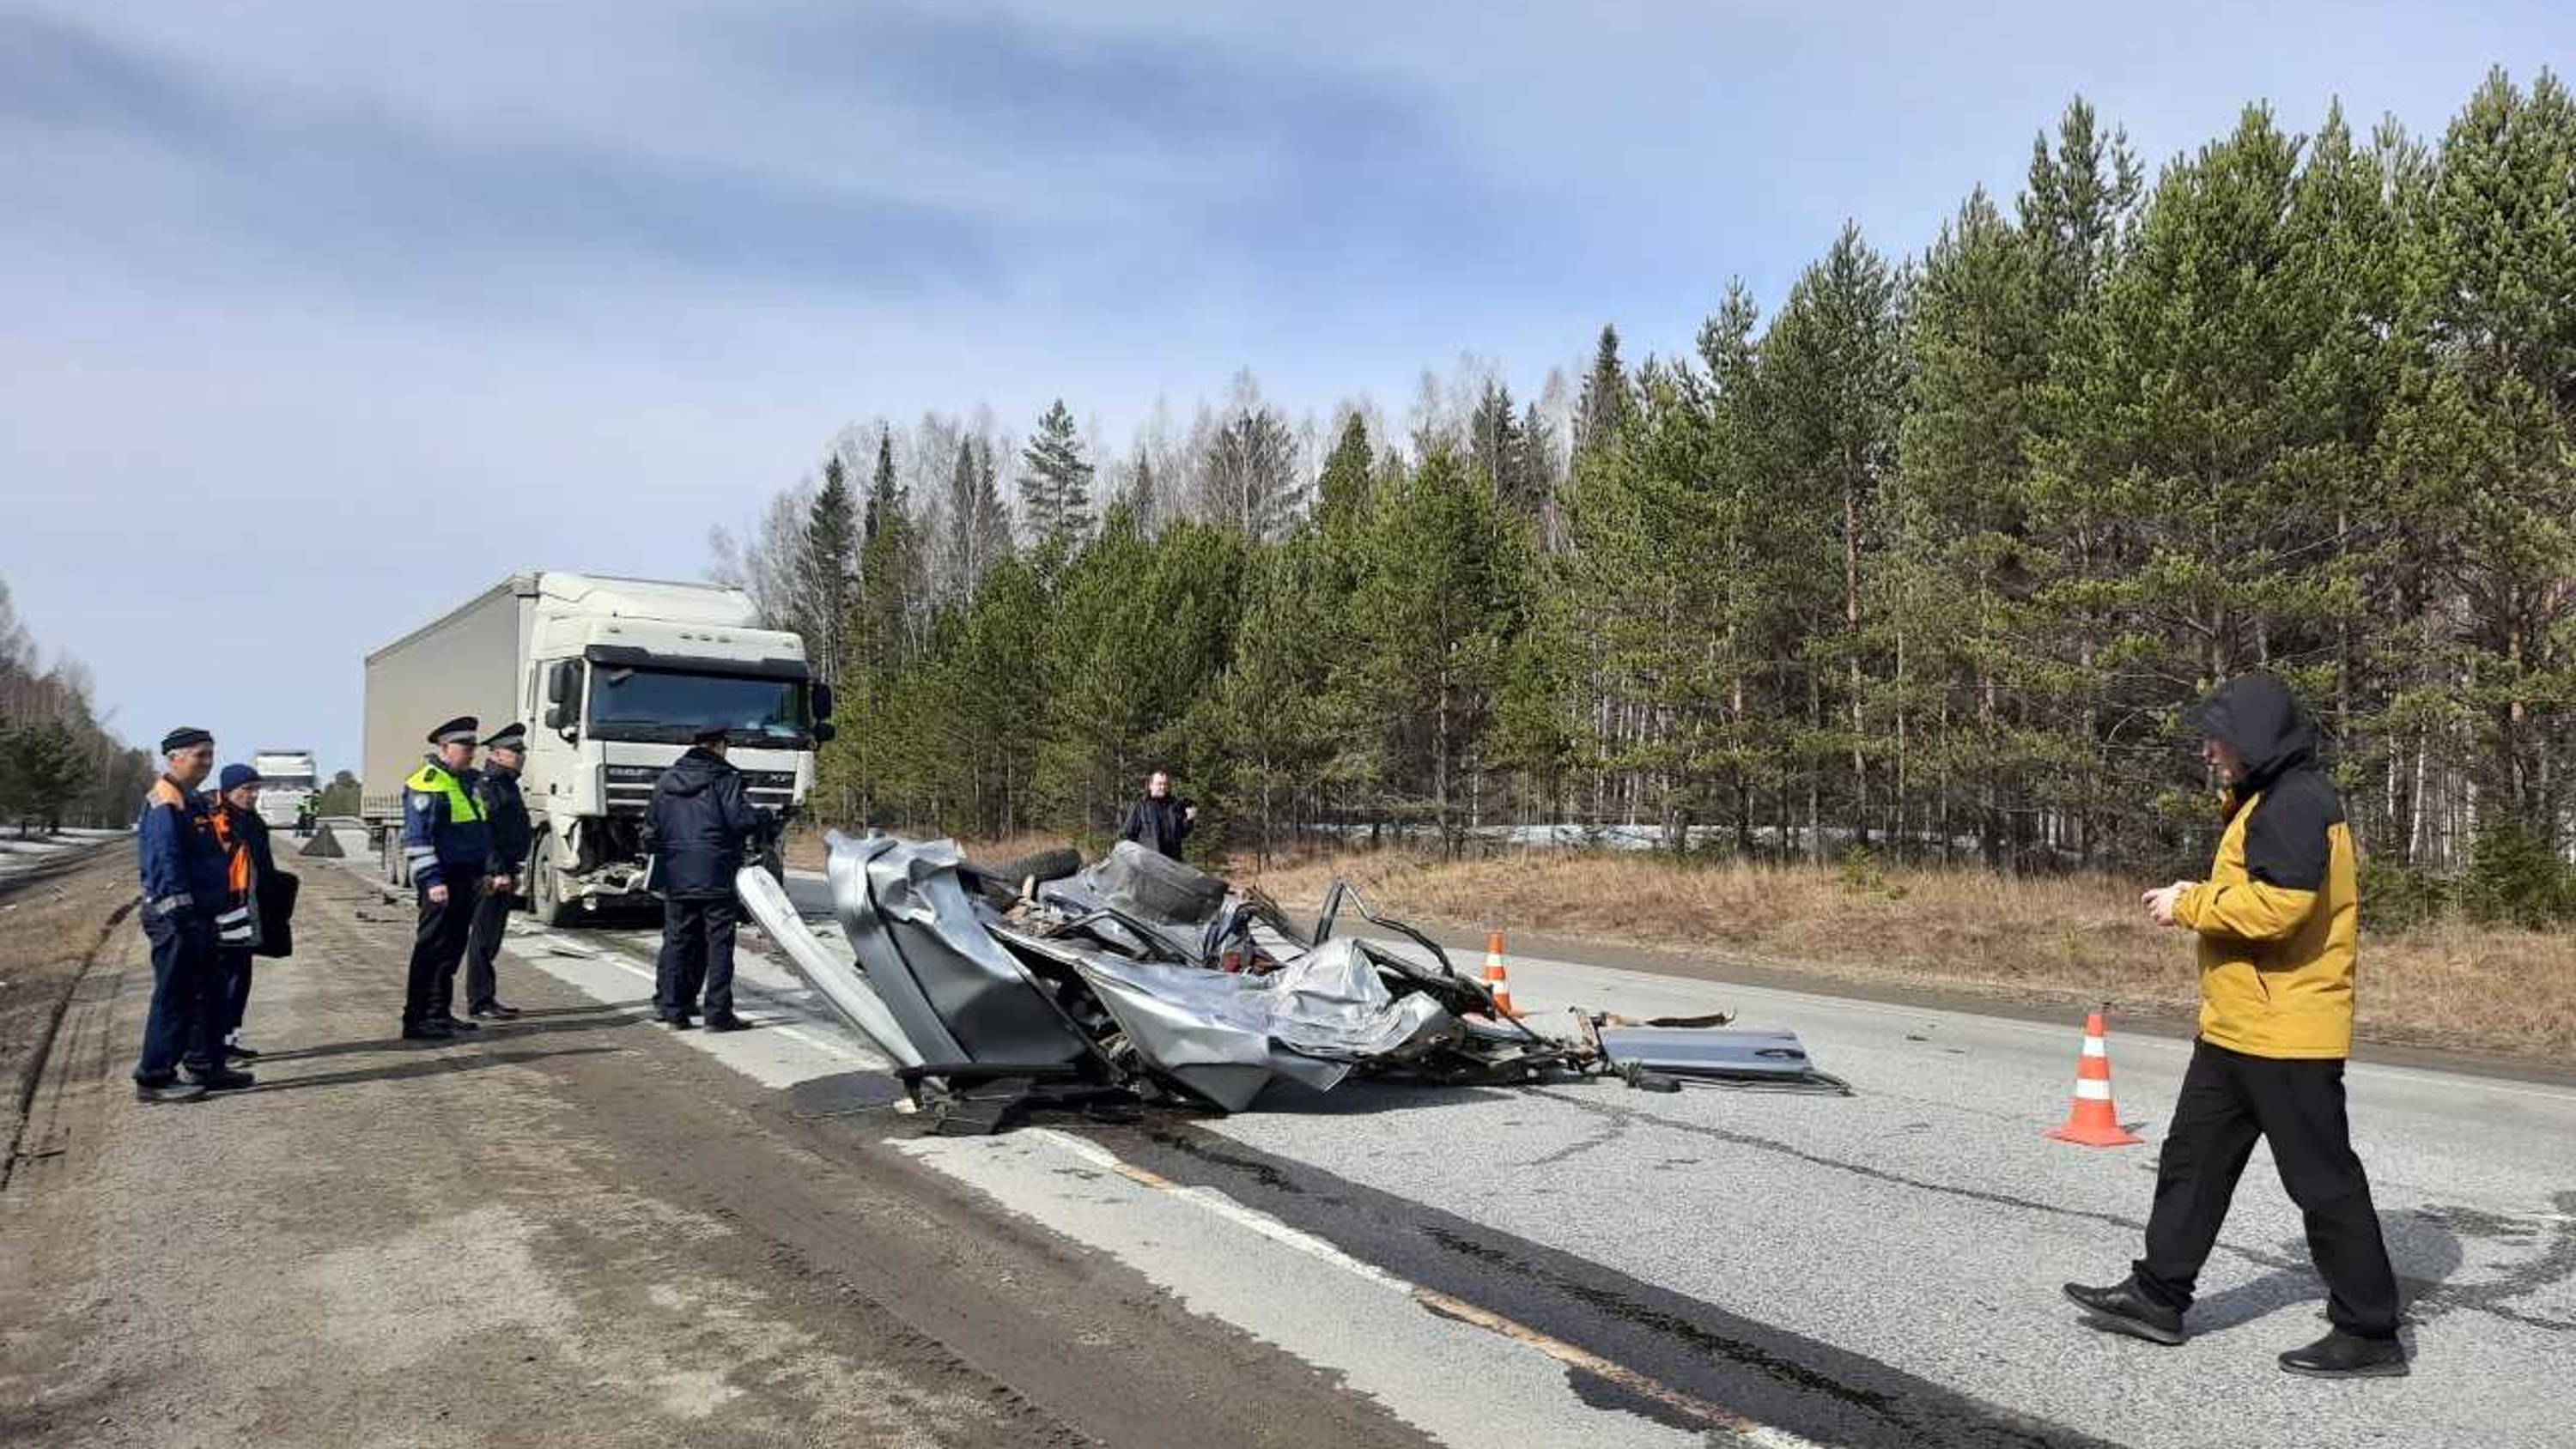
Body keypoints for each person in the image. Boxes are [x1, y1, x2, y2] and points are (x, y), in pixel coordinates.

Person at [2065, 672, 2406, 1379]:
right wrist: (2203, 898)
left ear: (2252, 740)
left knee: (2323, 1182)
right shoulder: (2265, 798)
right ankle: (2158, 1296)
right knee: (2193, 1164)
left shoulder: (2295, 802)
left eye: (2215, 738)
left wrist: (2191, 903)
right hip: (2237, 1027)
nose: (2207, 751)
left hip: (2287, 1033)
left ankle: (2370, 1331)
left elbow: (2281, 909)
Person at [131, 728, 249, 1101]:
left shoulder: (192, 798)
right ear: (174, 758)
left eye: (211, 754)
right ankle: (154, 1077)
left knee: (209, 993)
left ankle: (204, 1065)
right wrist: (180, 913)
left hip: (201, 913)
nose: (207, 762)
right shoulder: (164, 799)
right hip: (177, 916)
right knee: (175, 995)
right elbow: (164, 861)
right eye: (200, 755)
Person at [645, 724, 772, 1032]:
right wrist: (765, 817)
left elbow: (651, 831)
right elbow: (740, 822)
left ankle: (672, 1009)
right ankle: (718, 1013)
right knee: (719, 944)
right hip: (716, 872)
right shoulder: (724, 779)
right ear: (718, 747)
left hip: (677, 873)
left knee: (676, 941)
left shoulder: (666, 780)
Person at [399, 716, 490, 1040]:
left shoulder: (466, 782)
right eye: (464, 747)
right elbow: (417, 838)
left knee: (452, 948)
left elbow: (477, 832)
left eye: (472, 748)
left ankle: (439, 1012)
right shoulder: (426, 782)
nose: (470, 754)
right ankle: (416, 1018)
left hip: (465, 876)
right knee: (430, 947)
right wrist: (433, 880)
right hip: (441, 878)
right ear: (444, 748)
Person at [207, 762, 277, 1062]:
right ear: (228, 790)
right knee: (221, 979)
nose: (253, 796)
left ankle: (229, 1040)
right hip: (223, 910)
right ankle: (212, 1046)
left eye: (256, 790)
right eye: (246, 790)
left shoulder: (254, 821)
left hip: (248, 909)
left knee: (241, 977)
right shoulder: (215, 819)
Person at [465, 722, 532, 1020]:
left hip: (506, 870)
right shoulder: (489, 785)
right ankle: (480, 1001)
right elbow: (484, 832)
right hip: (491, 875)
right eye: (514, 751)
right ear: (496, 754)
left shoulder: (507, 784)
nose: (521, 756)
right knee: (483, 939)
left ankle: (485, 997)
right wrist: (497, 871)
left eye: (522, 751)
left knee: (491, 938)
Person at [1117, 769, 1196, 861]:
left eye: (1165, 784)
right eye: (1159, 784)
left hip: (1172, 862)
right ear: (1151, 785)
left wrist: (1189, 820)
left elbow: (1182, 833)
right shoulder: (1140, 806)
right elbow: (1128, 834)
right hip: (1148, 863)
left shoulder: (1175, 805)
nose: (1163, 787)